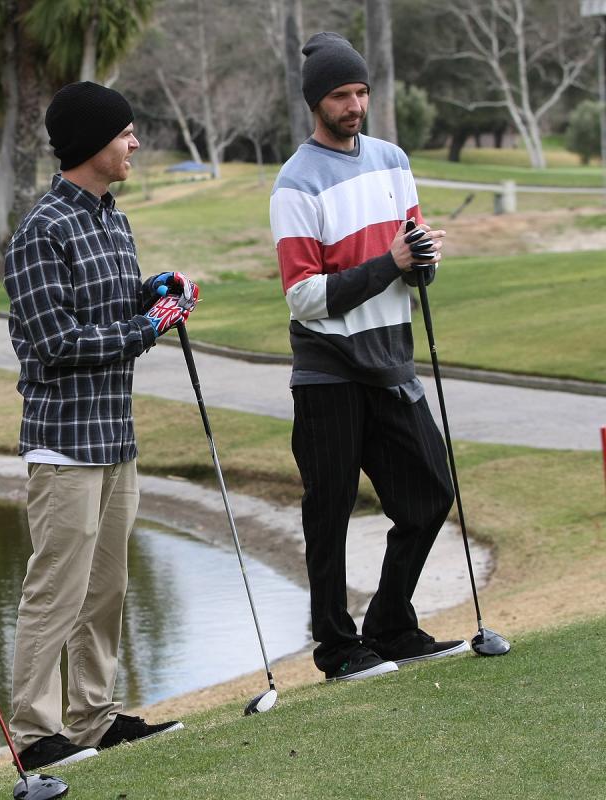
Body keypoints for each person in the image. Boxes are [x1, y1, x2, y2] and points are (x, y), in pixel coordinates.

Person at [4, 81, 193, 771]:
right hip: (65, 446)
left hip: (116, 438)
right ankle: (34, 733)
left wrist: (157, 291)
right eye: (126, 133)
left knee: (107, 587)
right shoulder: (40, 231)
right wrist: (148, 327)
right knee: (56, 590)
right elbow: (54, 342)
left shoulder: (112, 218)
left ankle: (91, 717)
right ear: (92, 143)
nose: (135, 143)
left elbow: (113, 306)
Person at [269, 32, 469, 683]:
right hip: (329, 371)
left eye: (360, 92)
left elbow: (413, 266)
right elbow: (304, 297)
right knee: (329, 510)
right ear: (315, 102)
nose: (354, 104)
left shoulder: (392, 160)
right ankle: (336, 645)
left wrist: (421, 263)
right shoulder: (296, 184)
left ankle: (390, 622)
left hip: (392, 363)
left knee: (432, 491)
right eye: (340, 95)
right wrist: (393, 263)